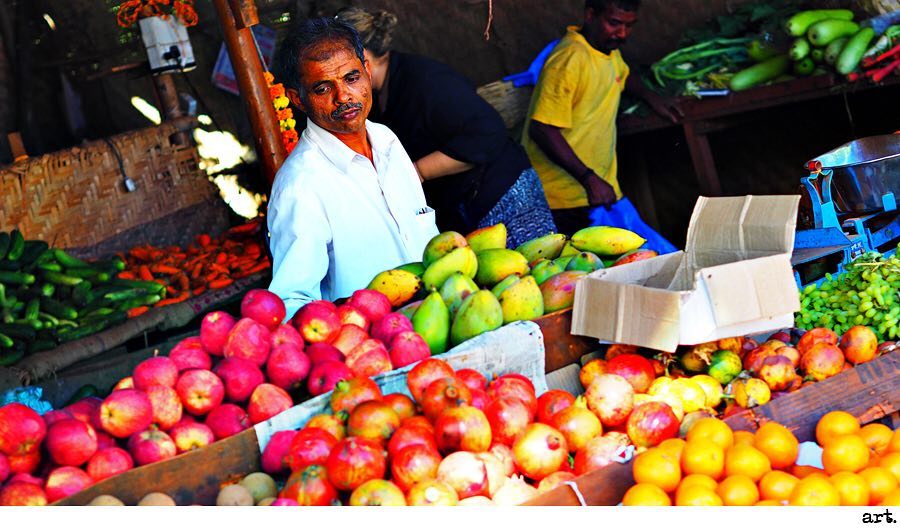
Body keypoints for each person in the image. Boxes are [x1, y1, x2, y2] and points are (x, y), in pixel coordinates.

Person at [335, 7, 556, 248]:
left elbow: (486, 133)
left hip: (506, 198)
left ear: (363, 60)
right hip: (463, 206)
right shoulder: (376, 97)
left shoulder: (425, 81)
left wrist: (418, 171)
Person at [267, 17, 438, 319]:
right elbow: (291, 303)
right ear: (298, 100)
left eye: (351, 78)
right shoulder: (301, 185)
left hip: (436, 317)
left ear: (367, 72)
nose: (343, 97)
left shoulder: (386, 140)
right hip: (374, 347)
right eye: (322, 88)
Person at [522, 0, 681, 239]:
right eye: (614, 23)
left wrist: (652, 97)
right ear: (590, 15)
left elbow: (622, 75)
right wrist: (589, 178)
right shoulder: (569, 59)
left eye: (629, 26)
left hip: (594, 191)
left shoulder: (608, 51)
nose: (622, 33)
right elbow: (542, 128)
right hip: (562, 198)